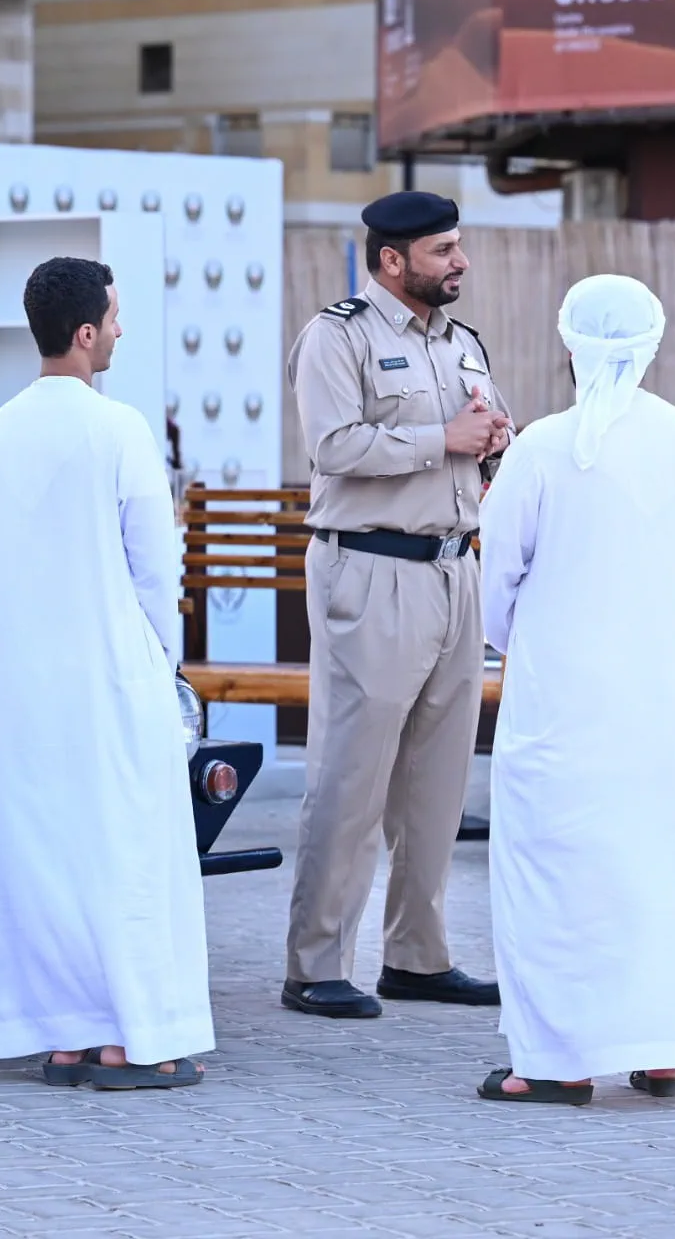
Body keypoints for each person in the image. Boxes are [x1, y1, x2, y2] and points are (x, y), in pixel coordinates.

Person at [475, 275, 675, 1106]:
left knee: (558, 871)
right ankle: (663, 1050)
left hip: (567, 704)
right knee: (666, 866)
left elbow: (497, 590)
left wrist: (530, 635)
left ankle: (553, 1064)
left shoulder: (544, 448)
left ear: (571, 347)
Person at [0, 256, 212, 1089]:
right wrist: (160, 665)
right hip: (113, 674)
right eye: (114, 317)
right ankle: (134, 1038)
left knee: (49, 854)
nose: (120, 329)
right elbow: (156, 567)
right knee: (132, 852)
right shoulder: (118, 429)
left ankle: (67, 1035)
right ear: (84, 334)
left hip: (24, 682)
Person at [281, 190, 510, 1020]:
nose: (460, 263)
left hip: (455, 570)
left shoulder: (464, 343)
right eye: (444, 250)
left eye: (458, 247)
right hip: (370, 571)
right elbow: (333, 448)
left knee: (438, 780)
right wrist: (440, 439)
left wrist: (491, 443)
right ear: (392, 260)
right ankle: (314, 964)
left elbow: (472, 447)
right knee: (352, 775)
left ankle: (417, 956)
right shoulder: (337, 336)